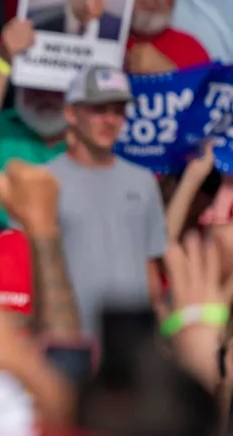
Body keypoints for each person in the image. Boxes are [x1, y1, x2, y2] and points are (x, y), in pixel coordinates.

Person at [46, 65, 167, 333]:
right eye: (99, 110)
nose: (110, 120)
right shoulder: (43, 181)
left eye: (118, 111)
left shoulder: (144, 180)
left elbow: (150, 267)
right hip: (70, 337)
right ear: (70, 113)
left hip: (134, 342)